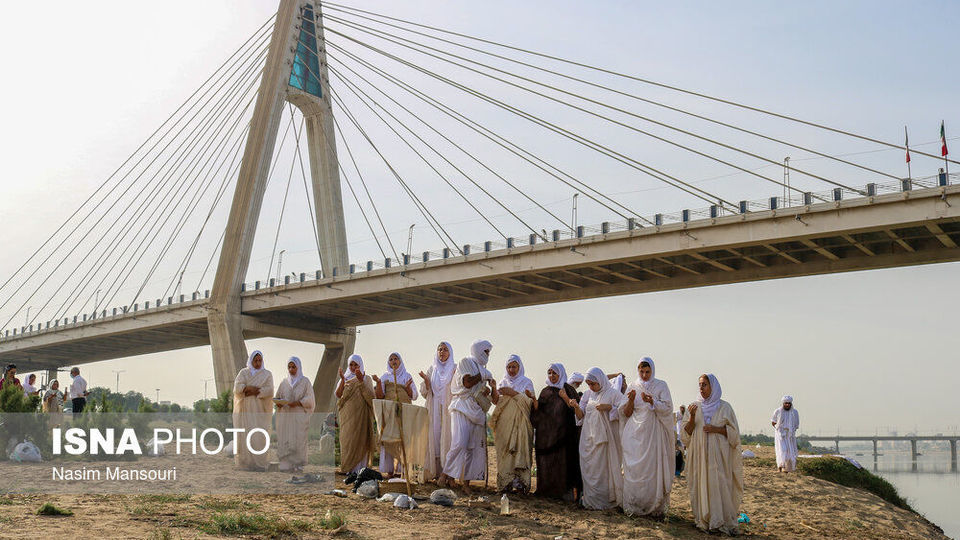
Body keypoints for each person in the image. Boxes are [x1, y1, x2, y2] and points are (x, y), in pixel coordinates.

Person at [681, 374, 743, 535]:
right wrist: (692, 417)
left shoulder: (725, 408)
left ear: (713, 386)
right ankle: (704, 519)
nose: (701, 388)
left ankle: (719, 520)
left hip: (719, 456)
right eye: (700, 385)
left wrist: (715, 429)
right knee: (701, 484)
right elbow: (685, 435)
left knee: (719, 485)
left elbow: (734, 435)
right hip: (699, 456)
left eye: (705, 385)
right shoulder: (693, 407)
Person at [620, 357, 675, 518]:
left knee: (651, 469)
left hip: (653, 433)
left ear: (652, 371)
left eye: (647, 372)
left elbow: (667, 408)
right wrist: (630, 400)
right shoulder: (632, 386)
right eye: (641, 372)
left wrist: (653, 402)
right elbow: (626, 413)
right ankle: (635, 505)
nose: (644, 375)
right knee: (635, 469)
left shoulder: (660, 385)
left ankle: (654, 507)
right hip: (634, 433)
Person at [440, 355, 494, 493]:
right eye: (485, 351)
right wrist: (482, 375)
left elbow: (479, 390)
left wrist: (486, 390)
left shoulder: (482, 368)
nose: (486, 354)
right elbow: (467, 383)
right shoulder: (465, 362)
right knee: (460, 443)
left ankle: (466, 484)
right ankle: (445, 474)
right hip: (461, 406)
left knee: (473, 448)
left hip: (476, 410)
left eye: (488, 352)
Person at [571, 367, 622, 510]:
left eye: (593, 384)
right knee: (590, 469)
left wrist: (610, 407)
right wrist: (575, 406)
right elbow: (580, 416)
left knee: (604, 470)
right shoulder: (587, 395)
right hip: (589, 438)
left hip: (606, 441)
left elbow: (624, 410)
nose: (591, 387)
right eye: (589, 384)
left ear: (600, 380)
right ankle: (591, 501)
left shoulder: (613, 393)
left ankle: (606, 502)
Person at [532, 363, 582, 500]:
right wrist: (535, 404)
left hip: (565, 437)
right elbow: (538, 415)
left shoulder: (569, 389)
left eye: (555, 373)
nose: (552, 376)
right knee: (547, 463)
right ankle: (547, 491)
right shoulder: (545, 392)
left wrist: (565, 397)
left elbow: (577, 411)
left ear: (561, 374)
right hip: (547, 438)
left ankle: (566, 492)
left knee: (565, 464)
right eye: (549, 373)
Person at [491, 354, 535, 493]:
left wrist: (513, 394)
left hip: (521, 424)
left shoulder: (527, 382)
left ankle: (521, 485)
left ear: (519, 367)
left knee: (520, 451)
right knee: (505, 453)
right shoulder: (503, 382)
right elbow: (496, 402)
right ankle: (506, 484)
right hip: (505, 424)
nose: (511, 369)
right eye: (509, 367)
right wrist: (493, 388)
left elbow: (530, 403)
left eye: (514, 367)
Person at [374, 352, 418, 478]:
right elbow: (379, 396)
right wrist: (378, 383)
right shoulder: (384, 377)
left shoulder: (406, 376)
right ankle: (389, 471)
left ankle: (402, 471)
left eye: (396, 359)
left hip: (403, 412)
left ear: (400, 361)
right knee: (388, 439)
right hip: (389, 413)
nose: (393, 361)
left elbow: (414, 396)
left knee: (403, 440)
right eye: (391, 359)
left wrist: (408, 388)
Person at [419, 341, 455, 483]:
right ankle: (436, 472)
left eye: (445, 349)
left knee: (449, 439)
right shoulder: (432, 369)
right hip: (433, 408)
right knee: (434, 439)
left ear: (450, 352)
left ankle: (450, 474)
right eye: (440, 349)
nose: (442, 352)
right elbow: (424, 392)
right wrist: (427, 382)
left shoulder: (455, 368)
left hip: (448, 409)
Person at [233, 350, 274, 471]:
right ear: (251, 361)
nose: (257, 363)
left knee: (259, 435)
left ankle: (259, 463)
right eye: (255, 360)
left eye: (260, 360)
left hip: (259, 409)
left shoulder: (267, 374)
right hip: (245, 409)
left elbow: (270, 390)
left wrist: (254, 390)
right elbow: (237, 388)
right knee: (245, 434)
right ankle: (246, 463)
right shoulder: (243, 373)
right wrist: (249, 388)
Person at [335, 354, 376, 474]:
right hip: (347, 415)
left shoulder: (366, 378)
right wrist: (343, 380)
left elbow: (371, 398)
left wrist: (361, 381)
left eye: (356, 365)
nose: (353, 367)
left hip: (362, 415)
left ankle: (359, 470)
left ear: (360, 365)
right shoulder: (345, 378)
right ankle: (348, 468)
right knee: (347, 439)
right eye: (351, 365)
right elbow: (338, 395)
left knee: (360, 439)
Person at [274, 356, 315, 473]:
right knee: (285, 439)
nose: (291, 370)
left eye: (293, 367)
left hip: (298, 416)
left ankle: (298, 464)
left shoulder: (305, 381)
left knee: (298, 439)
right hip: (286, 417)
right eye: (289, 367)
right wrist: (279, 403)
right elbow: (278, 396)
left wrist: (298, 402)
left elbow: (310, 399)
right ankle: (286, 462)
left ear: (298, 367)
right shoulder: (284, 382)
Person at [771, 395, 799, 473]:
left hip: (790, 435)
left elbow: (796, 424)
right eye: (786, 403)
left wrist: (791, 430)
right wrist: (778, 429)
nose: (787, 405)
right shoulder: (778, 411)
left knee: (790, 451)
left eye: (789, 403)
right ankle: (781, 466)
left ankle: (788, 468)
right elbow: (773, 422)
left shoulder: (794, 412)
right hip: (780, 434)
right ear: (783, 403)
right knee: (782, 450)